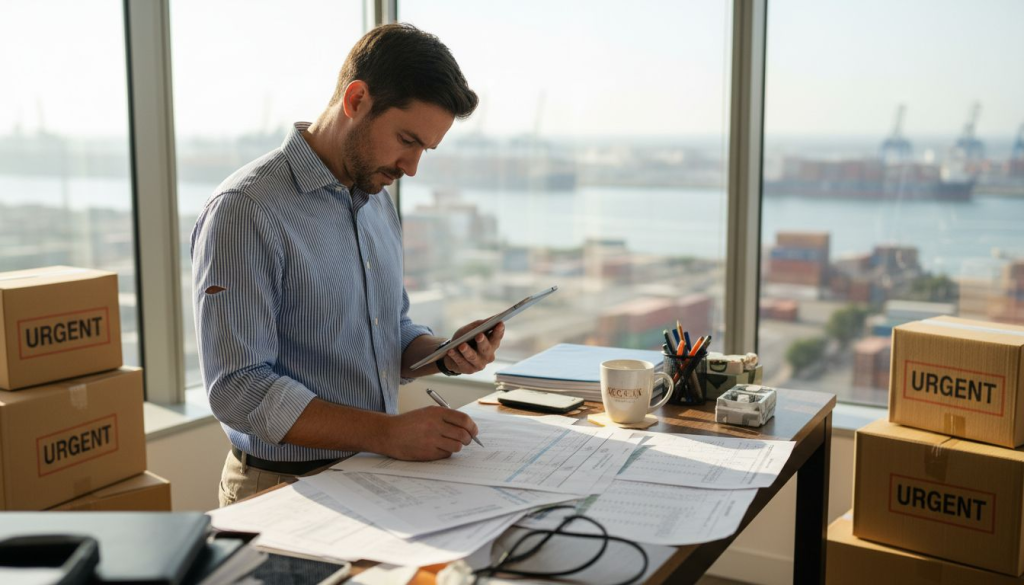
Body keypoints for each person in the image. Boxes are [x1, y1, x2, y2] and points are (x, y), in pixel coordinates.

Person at [191, 23, 503, 507]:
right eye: (406, 139)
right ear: (356, 99)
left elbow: (388, 332)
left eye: (425, 149)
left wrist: (443, 353)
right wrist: (389, 434)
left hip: (372, 474)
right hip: (283, 489)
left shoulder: (377, 200)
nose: (412, 167)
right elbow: (239, 388)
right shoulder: (245, 209)